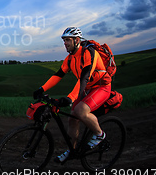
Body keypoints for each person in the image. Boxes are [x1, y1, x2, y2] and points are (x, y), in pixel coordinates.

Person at [33, 27, 112, 164]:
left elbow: (84, 77)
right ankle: (72, 150)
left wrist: (70, 97)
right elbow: (58, 75)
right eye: (64, 41)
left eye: (67, 40)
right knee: (72, 118)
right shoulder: (70, 59)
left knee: (80, 111)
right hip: (86, 89)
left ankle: (99, 135)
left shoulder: (89, 53)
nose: (65, 43)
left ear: (77, 40)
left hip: (101, 87)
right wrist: (42, 88)